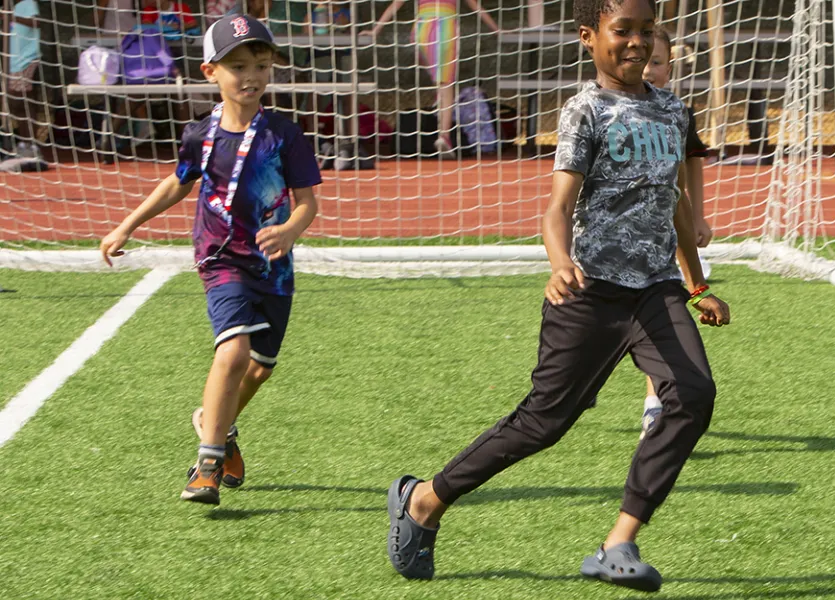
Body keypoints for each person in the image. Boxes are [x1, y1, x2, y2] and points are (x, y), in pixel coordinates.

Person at [383, 0, 729, 593]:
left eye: (648, 32)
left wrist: (697, 284)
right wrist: (560, 261)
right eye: (624, 31)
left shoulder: (673, 110)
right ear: (588, 38)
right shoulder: (584, 110)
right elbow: (558, 208)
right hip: (590, 290)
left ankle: (618, 543)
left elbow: (674, 202)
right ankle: (425, 498)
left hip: (656, 291)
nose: (638, 43)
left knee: (693, 394)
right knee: (545, 422)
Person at [99, 15, 323, 506]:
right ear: (209, 72)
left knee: (260, 368)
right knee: (233, 352)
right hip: (220, 261)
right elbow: (178, 183)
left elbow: (308, 202)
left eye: (261, 65)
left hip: (273, 266)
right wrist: (126, 226)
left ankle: (215, 421)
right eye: (238, 65)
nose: (251, 76)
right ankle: (207, 464)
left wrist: (288, 230)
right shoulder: (199, 135)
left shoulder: (284, 134)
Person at [633, 25, 712, 437]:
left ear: (669, 66)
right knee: (604, 321)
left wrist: (697, 216)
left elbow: (691, 164)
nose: (648, 69)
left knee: (663, 316)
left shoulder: (675, 111)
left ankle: (655, 404)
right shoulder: (600, 108)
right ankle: (580, 378)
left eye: (657, 62)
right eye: (643, 59)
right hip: (611, 243)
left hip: (662, 238)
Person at [366, 0, 501, 157]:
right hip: (444, 28)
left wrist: (376, 30)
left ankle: (440, 107)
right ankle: (444, 136)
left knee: (438, 80)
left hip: (421, 29)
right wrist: (497, 30)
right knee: (446, 83)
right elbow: (476, 7)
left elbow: (395, 5)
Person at [5, 0, 48, 159]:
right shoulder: (12, 9)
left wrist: (12, 17)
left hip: (25, 60)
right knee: (17, 102)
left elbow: (36, 22)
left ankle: (29, 143)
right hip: (14, 63)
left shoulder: (27, 3)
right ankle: (25, 142)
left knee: (20, 100)